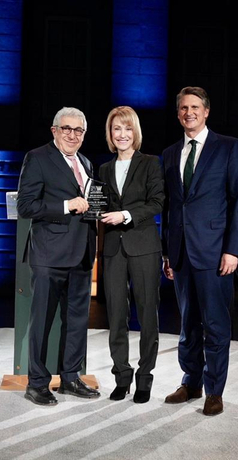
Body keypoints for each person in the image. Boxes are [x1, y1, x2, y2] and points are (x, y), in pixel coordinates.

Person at [162, 86, 238, 415]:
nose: (189, 112)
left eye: (195, 107)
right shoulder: (170, 153)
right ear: (178, 113)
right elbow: (170, 207)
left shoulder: (229, 147)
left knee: (215, 324)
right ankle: (191, 382)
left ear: (206, 111)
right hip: (182, 253)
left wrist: (233, 250)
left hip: (216, 254)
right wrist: (167, 253)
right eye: (184, 107)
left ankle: (215, 390)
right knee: (188, 324)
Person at [17, 106, 100, 406]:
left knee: (76, 320)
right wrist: (66, 206)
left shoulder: (87, 162)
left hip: (81, 254)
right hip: (49, 255)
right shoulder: (37, 158)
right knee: (42, 321)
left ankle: (70, 377)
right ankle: (37, 383)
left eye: (78, 130)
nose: (72, 135)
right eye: (66, 128)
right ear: (54, 130)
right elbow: (26, 206)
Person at [99, 106, 164, 403]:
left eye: (126, 129)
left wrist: (124, 214)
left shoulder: (151, 163)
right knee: (115, 315)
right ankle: (121, 376)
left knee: (148, 313)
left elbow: (157, 202)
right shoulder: (102, 169)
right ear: (110, 134)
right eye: (116, 129)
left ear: (134, 132)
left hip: (144, 246)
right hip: (113, 248)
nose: (121, 134)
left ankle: (145, 378)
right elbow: (99, 206)